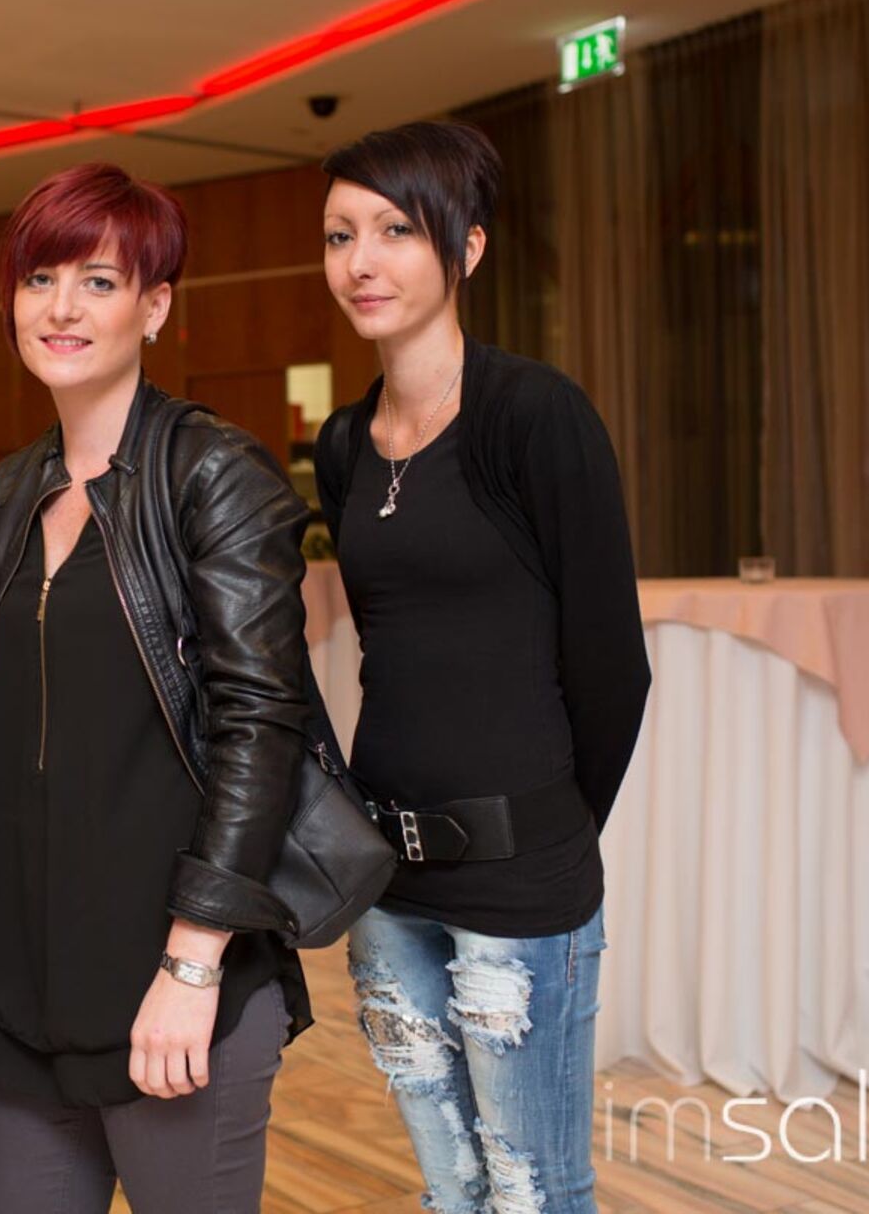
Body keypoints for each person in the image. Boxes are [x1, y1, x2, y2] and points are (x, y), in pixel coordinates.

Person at [0, 164, 312, 1214]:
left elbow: (261, 728)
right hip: (23, 993)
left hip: (173, 990)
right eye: (39, 278)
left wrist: (192, 964)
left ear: (154, 306)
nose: (61, 307)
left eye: (98, 282)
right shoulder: (11, 488)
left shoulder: (214, 473)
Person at [312, 121, 651, 1214]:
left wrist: (550, 834)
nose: (361, 261)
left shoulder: (533, 414)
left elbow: (613, 667)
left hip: (519, 877)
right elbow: (392, 649)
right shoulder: (343, 444)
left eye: (395, 231)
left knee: (534, 1189)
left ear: (466, 248)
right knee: (452, 1189)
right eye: (340, 235)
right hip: (387, 878)